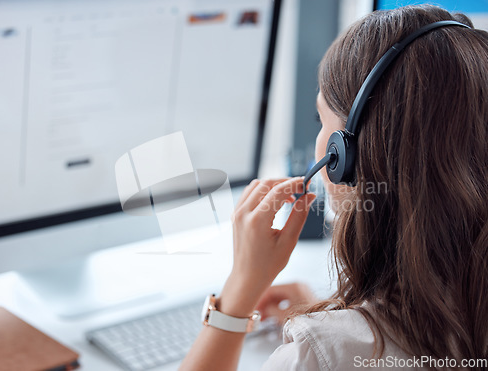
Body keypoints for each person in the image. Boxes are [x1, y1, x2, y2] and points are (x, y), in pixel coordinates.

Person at [181, 5, 488, 370]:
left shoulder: (323, 353)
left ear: (342, 155)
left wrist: (239, 290)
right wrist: (341, 315)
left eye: (320, 118)